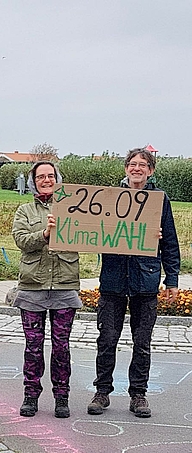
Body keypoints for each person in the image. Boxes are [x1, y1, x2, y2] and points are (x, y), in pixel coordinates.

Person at [87, 147, 180, 418]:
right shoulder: (109, 198)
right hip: (113, 280)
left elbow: (171, 242)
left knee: (142, 342)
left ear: (150, 170)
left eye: (143, 164)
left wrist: (171, 278)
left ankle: (138, 394)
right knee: (106, 339)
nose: (137, 168)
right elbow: (92, 231)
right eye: (132, 164)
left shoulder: (159, 200)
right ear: (125, 168)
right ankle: (102, 391)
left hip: (145, 280)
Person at [12, 161, 81, 419]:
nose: (46, 180)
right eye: (41, 176)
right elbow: (21, 241)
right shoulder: (24, 210)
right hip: (33, 287)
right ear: (33, 181)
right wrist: (44, 234)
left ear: (57, 178)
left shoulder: (73, 206)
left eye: (51, 176)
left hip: (64, 285)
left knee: (62, 345)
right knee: (33, 346)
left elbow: (92, 232)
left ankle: (61, 396)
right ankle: (31, 394)